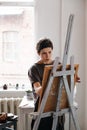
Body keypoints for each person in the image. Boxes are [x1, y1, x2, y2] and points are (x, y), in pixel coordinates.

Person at [28, 38, 65, 130]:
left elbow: (64, 88)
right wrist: (51, 81)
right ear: (38, 53)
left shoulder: (58, 65)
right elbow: (39, 90)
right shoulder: (34, 69)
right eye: (44, 53)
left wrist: (71, 80)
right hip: (42, 107)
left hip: (57, 106)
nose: (47, 56)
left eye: (50, 52)